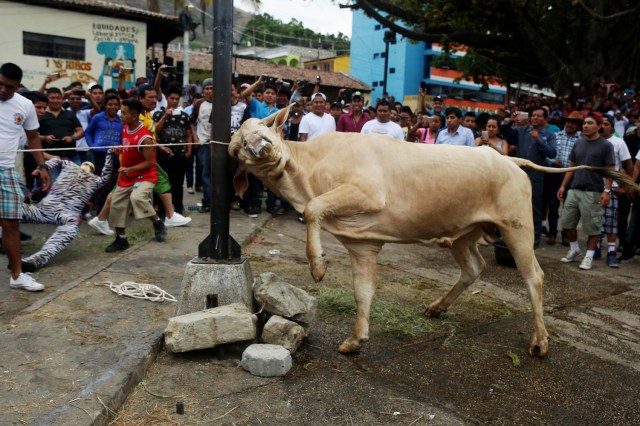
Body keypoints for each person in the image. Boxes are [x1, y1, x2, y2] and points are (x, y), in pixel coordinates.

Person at [0, 62, 50, 291]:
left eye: (8, 87)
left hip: (7, 169)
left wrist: (42, 167)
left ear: (17, 86)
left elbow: (33, 137)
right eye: (0, 84)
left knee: (11, 223)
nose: (2, 90)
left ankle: (17, 275)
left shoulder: (25, 105)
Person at [20, 154, 114, 271]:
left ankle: (37, 259)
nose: (87, 167)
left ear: (93, 171)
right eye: (86, 164)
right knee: (12, 207)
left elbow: (107, 174)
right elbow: (57, 160)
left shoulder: (95, 180)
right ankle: (6, 235)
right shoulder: (70, 165)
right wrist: (42, 168)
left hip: (65, 215)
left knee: (71, 226)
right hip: (42, 210)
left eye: (90, 167)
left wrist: (110, 153)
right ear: (80, 164)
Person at [105, 98, 167, 253]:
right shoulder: (125, 127)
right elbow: (128, 146)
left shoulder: (144, 138)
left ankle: (157, 222)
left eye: (124, 113)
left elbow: (150, 163)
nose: (121, 115)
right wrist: (120, 150)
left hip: (144, 176)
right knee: (116, 203)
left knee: (137, 197)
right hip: (127, 176)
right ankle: (121, 239)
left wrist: (131, 170)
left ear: (134, 116)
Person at [557, 112, 615, 270]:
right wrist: (563, 186)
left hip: (593, 192)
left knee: (592, 227)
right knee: (567, 223)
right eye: (584, 123)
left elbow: (611, 170)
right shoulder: (578, 143)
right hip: (574, 189)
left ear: (599, 126)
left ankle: (589, 256)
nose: (585, 126)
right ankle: (574, 249)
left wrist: (606, 191)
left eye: (590, 123)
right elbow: (572, 167)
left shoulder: (606, 145)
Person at [502, 108, 557, 247]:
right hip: (518, 171)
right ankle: (513, 235)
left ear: (545, 119)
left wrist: (538, 139)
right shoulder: (521, 130)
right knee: (514, 204)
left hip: (536, 173)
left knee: (535, 206)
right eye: (533, 115)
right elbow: (503, 132)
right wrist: (511, 120)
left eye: (539, 116)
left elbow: (552, 153)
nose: (535, 118)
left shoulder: (549, 135)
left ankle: (535, 238)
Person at [153, 84, 193, 219]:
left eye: (177, 99)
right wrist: (165, 116)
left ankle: (178, 210)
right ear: (167, 98)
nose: (174, 101)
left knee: (178, 184)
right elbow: (155, 132)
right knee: (163, 183)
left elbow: (188, 134)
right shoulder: (158, 114)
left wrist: (188, 150)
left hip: (179, 155)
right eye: (172, 98)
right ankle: (162, 210)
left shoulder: (184, 116)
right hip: (163, 155)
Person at [600, 114, 633, 267]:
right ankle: (596, 248)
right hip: (593, 186)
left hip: (611, 188)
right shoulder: (593, 141)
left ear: (612, 126)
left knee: (611, 222)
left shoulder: (619, 142)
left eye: (606, 124)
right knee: (595, 220)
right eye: (601, 123)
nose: (603, 126)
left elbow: (630, 166)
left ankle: (612, 252)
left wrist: (624, 186)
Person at [545, 111, 583, 245]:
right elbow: (547, 152)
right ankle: (552, 233)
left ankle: (566, 235)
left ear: (578, 126)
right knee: (553, 205)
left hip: (573, 175)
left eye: (574, 123)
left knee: (569, 207)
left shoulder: (581, 139)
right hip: (555, 174)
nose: (570, 125)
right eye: (568, 122)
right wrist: (552, 161)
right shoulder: (555, 136)